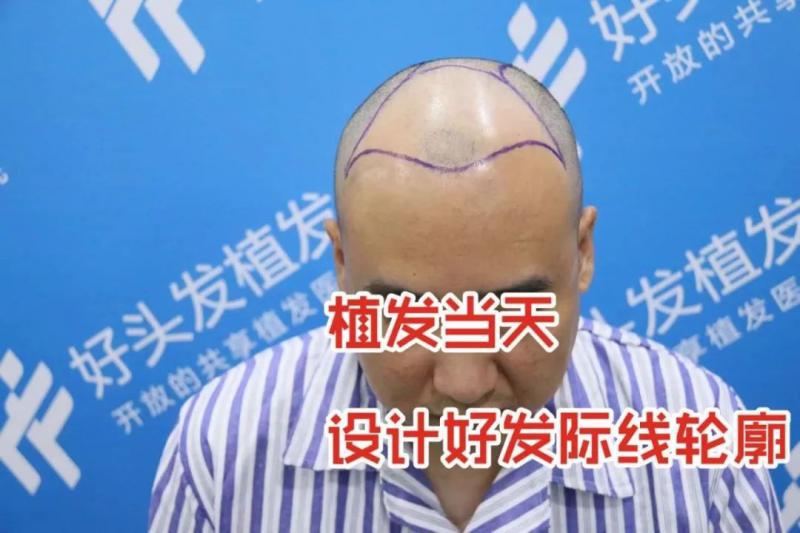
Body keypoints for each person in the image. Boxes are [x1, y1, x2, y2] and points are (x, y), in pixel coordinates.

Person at [147, 58, 782, 532]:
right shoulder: (224, 452)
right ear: (341, 264)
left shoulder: (703, 450)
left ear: (583, 253)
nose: (464, 382)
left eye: (512, 311)